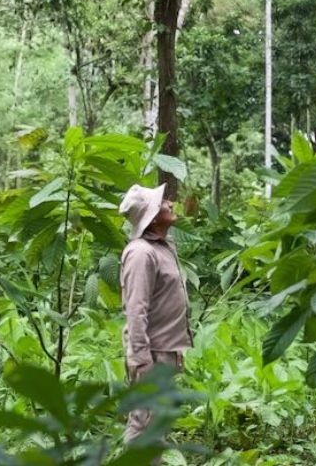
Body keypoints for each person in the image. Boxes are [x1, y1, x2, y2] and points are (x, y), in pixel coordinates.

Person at [118, 183, 193, 447]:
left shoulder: (162, 248)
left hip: (164, 352)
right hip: (151, 354)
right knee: (144, 425)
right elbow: (136, 311)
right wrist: (141, 359)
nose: (170, 203)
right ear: (151, 216)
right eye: (162, 202)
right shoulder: (141, 253)